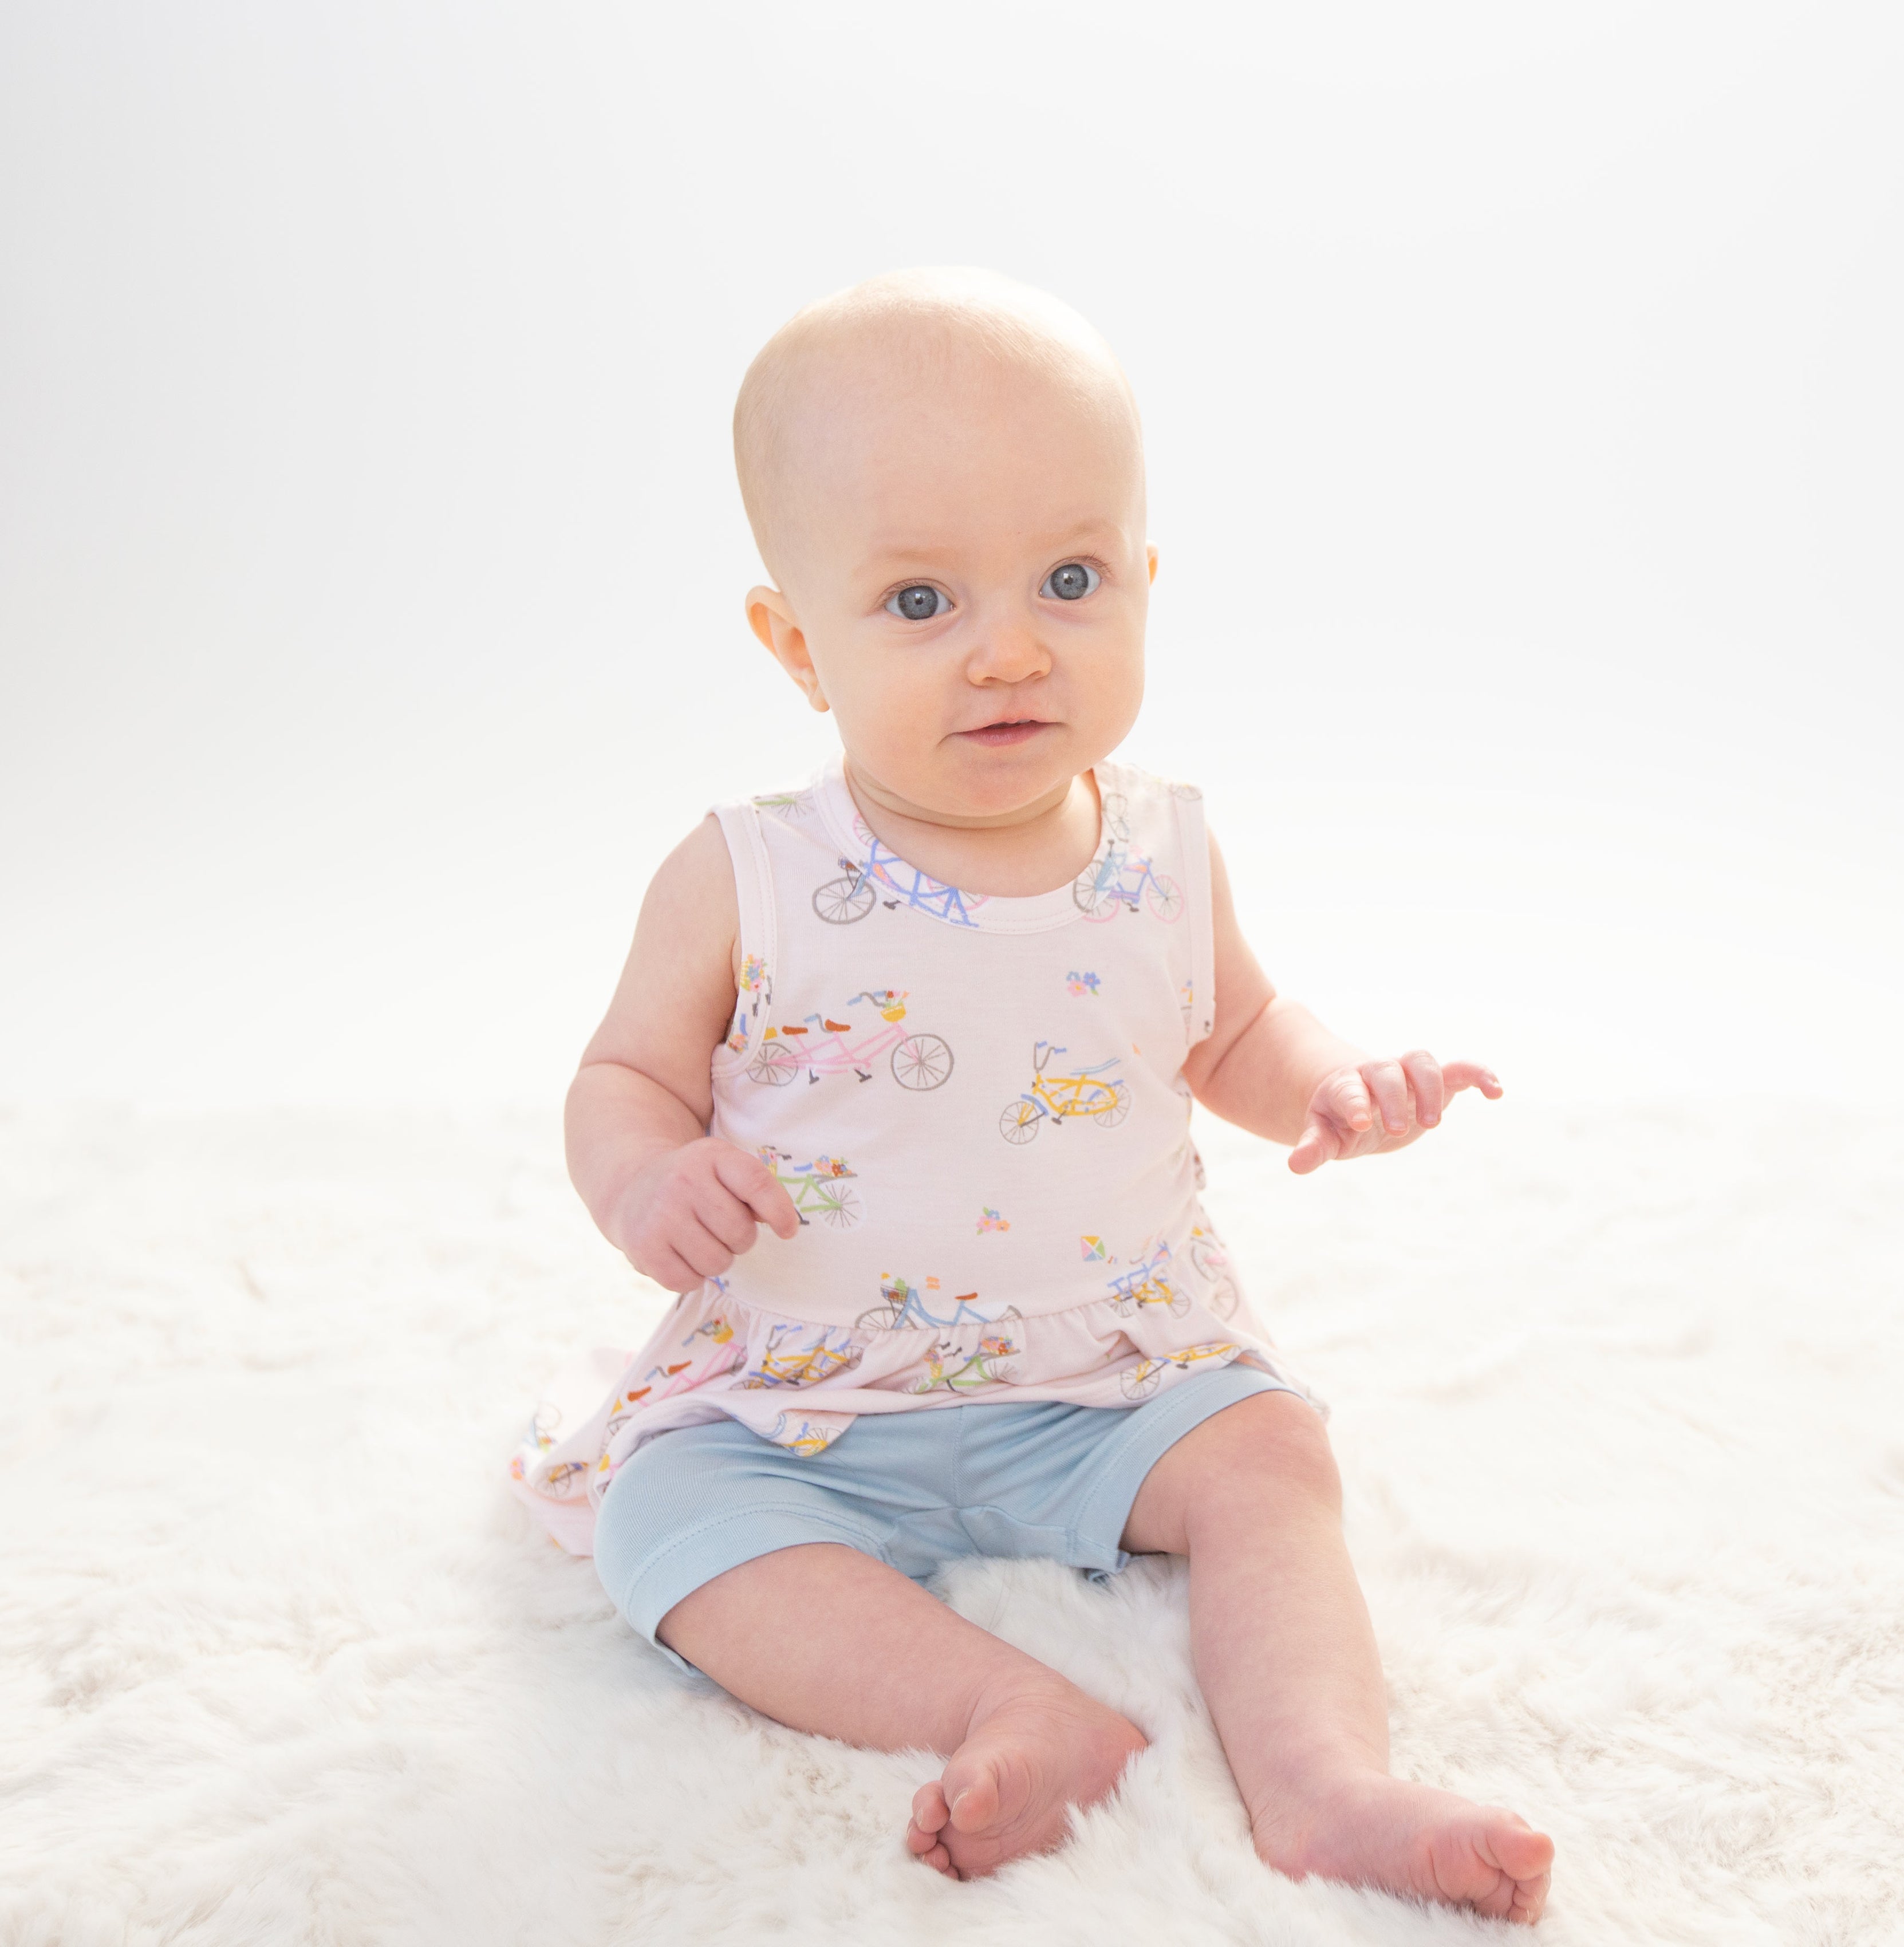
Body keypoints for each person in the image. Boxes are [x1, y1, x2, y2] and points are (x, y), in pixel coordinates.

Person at [509, 267, 1553, 1923]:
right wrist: (646, 1183)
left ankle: (1325, 1784)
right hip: (808, 1407)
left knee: (1272, 1457)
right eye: (920, 603)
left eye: (1069, 580)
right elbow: (622, 1073)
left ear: (1143, 580)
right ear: (798, 645)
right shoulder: (749, 876)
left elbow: (1234, 1030)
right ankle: (1007, 1705)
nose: (1008, 649)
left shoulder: (1162, 852)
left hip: (1115, 1374)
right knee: (666, 1528)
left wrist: (1333, 1084)